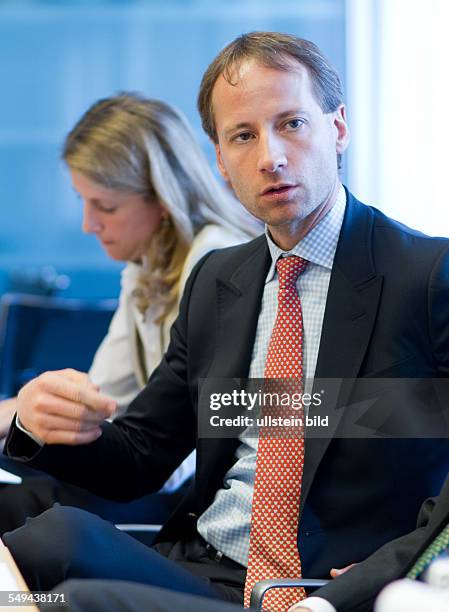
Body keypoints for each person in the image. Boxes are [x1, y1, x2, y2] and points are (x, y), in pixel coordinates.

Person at [3, 31, 449, 612]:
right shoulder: (219, 280)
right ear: (220, 160)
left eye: (291, 123)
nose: (270, 156)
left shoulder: (427, 274)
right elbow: (140, 456)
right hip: (206, 573)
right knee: (48, 542)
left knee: (78, 601)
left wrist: (372, 584)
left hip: (320, 591)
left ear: (337, 128)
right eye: (243, 135)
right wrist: (43, 426)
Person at [0, 92, 258, 530]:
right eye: (84, 202)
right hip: (154, 473)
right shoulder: (144, 266)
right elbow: (103, 397)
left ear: (162, 198)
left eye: (106, 206)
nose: (88, 224)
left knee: (24, 503)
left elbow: (175, 447)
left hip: (196, 494)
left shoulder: (217, 261)